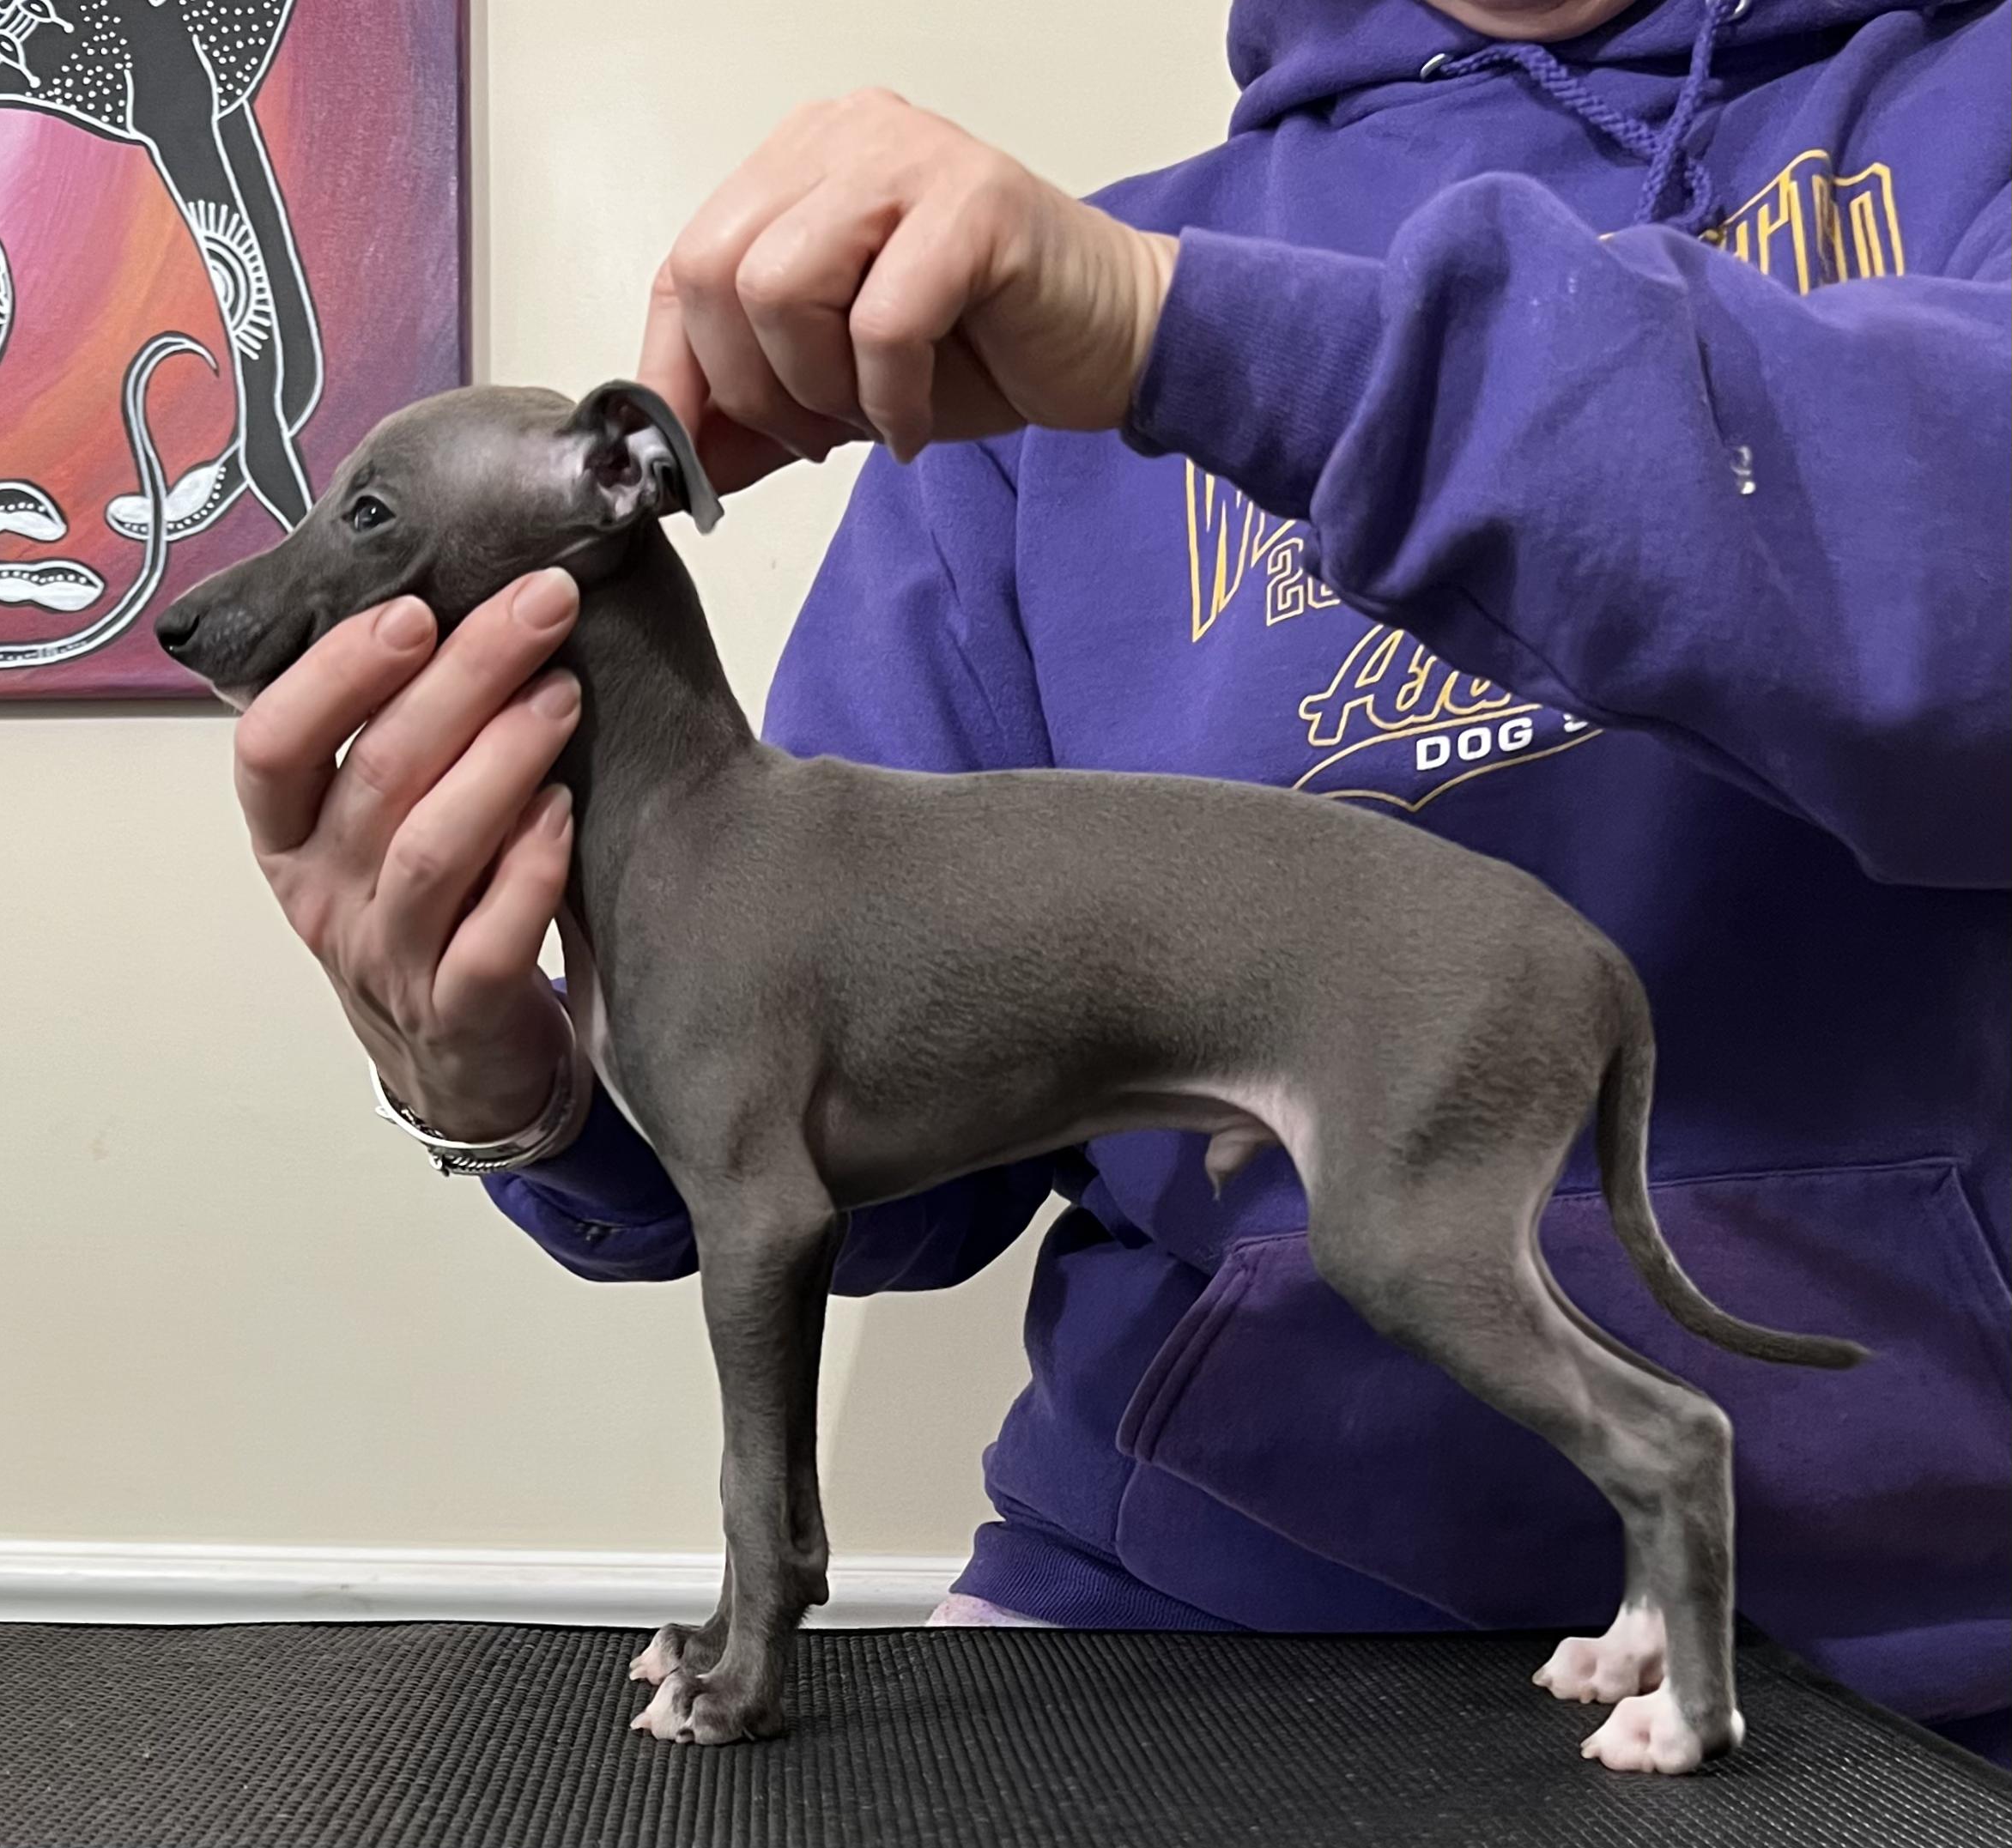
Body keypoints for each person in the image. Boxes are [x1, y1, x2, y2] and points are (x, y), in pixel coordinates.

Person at [228, 0, 2010, 1762]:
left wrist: (1180, 331)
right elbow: (857, 1193)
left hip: (1935, 1654)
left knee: (1399, 1247)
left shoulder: (1972, 107)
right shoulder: (981, 372)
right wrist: (519, 1092)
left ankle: (1661, 1572)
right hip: (1157, 1608)